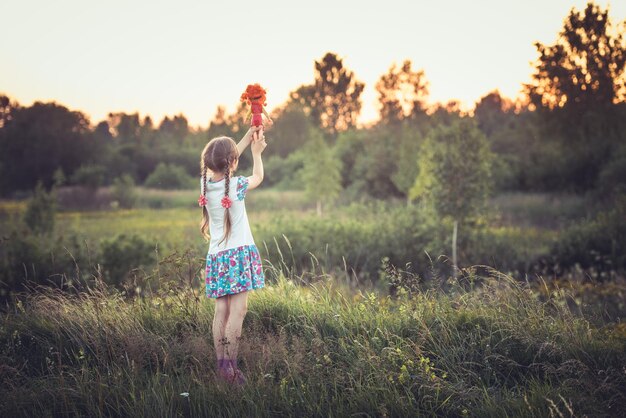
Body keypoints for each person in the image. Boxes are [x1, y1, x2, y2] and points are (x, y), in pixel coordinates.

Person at [198, 125, 267, 386]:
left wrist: (249, 136)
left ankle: (222, 367)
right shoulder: (236, 185)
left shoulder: (205, 184)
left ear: (208, 162)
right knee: (238, 311)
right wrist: (257, 152)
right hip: (237, 255)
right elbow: (258, 176)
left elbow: (224, 161)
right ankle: (231, 370)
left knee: (221, 312)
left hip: (217, 257)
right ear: (233, 162)